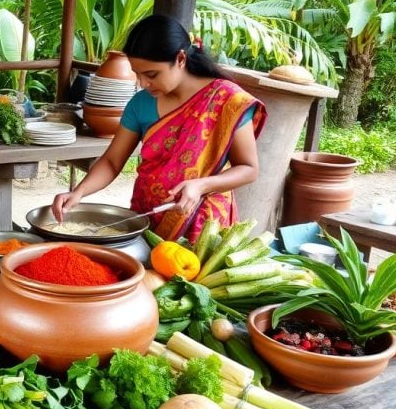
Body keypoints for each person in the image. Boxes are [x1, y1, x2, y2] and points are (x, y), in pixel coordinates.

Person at [52, 14, 266, 244]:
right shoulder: (141, 103)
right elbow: (112, 161)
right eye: (137, 74)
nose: (143, 84)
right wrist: (79, 192)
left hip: (203, 224)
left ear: (181, 58)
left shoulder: (227, 101)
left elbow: (248, 168)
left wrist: (201, 185)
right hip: (147, 217)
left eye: (152, 74)